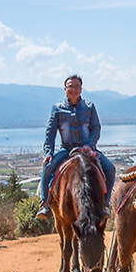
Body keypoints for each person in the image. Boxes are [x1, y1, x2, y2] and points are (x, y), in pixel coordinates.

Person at [37, 74, 116, 219]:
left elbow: (96, 128)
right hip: (66, 150)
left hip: (88, 149)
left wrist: (90, 145)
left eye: (76, 86)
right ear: (65, 89)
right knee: (48, 168)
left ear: (81, 89)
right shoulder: (57, 109)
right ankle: (45, 204)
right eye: (70, 86)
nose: (73, 89)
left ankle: (105, 203)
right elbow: (50, 133)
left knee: (110, 169)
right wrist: (48, 153)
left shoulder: (89, 107)